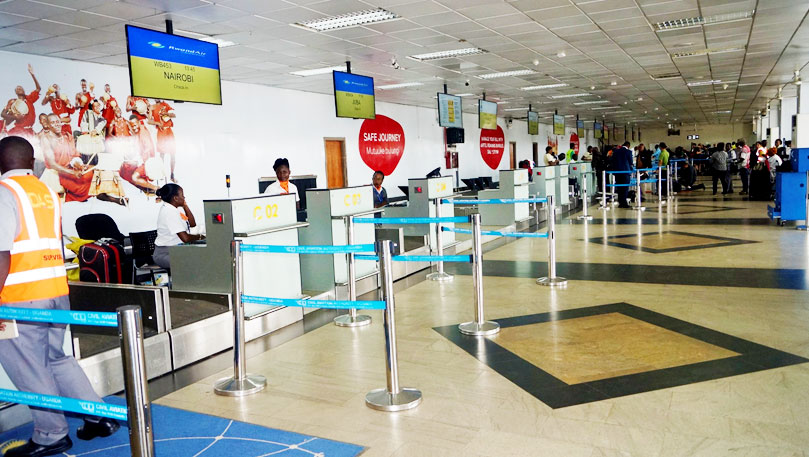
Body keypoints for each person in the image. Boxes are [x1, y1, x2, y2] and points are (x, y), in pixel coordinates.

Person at [0, 136, 120, 457]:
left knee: (28, 366)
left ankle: (51, 433)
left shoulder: (4, 194)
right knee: (55, 358)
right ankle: (99, 417)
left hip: (20, 298)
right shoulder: (46, 192)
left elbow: (2, 253)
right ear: (31, 162)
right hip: (56, 292)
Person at [153, 183, 203, 269]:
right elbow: (185, 238)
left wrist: (185, 206)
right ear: (175, 198)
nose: (184, 198)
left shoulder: (174, 209)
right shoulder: (169, 212)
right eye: (182, 195)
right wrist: (201, 237)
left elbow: (192, 224)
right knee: (194, 263)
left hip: (177, 250)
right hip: (165, 253)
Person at [2, 64, 41, 138]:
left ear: (24, 91)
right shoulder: (12, 101)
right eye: (17, 89)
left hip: (29, 131)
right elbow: (3, 114)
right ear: (16, 92)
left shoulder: (29, 99)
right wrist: (14, 117)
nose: (19, 89)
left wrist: (32, 74)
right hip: (18, 130)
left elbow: (38, 89)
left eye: (21, 88)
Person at [609, 141, 634, 208]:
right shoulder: (629, 152)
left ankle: (620, 202)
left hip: (617, 172)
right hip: (625, 172)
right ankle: (624, 203)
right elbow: (631, 162)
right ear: (628, 146)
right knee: (625, 187)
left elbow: (612, 161)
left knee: (619, 187)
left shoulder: (616, 151)